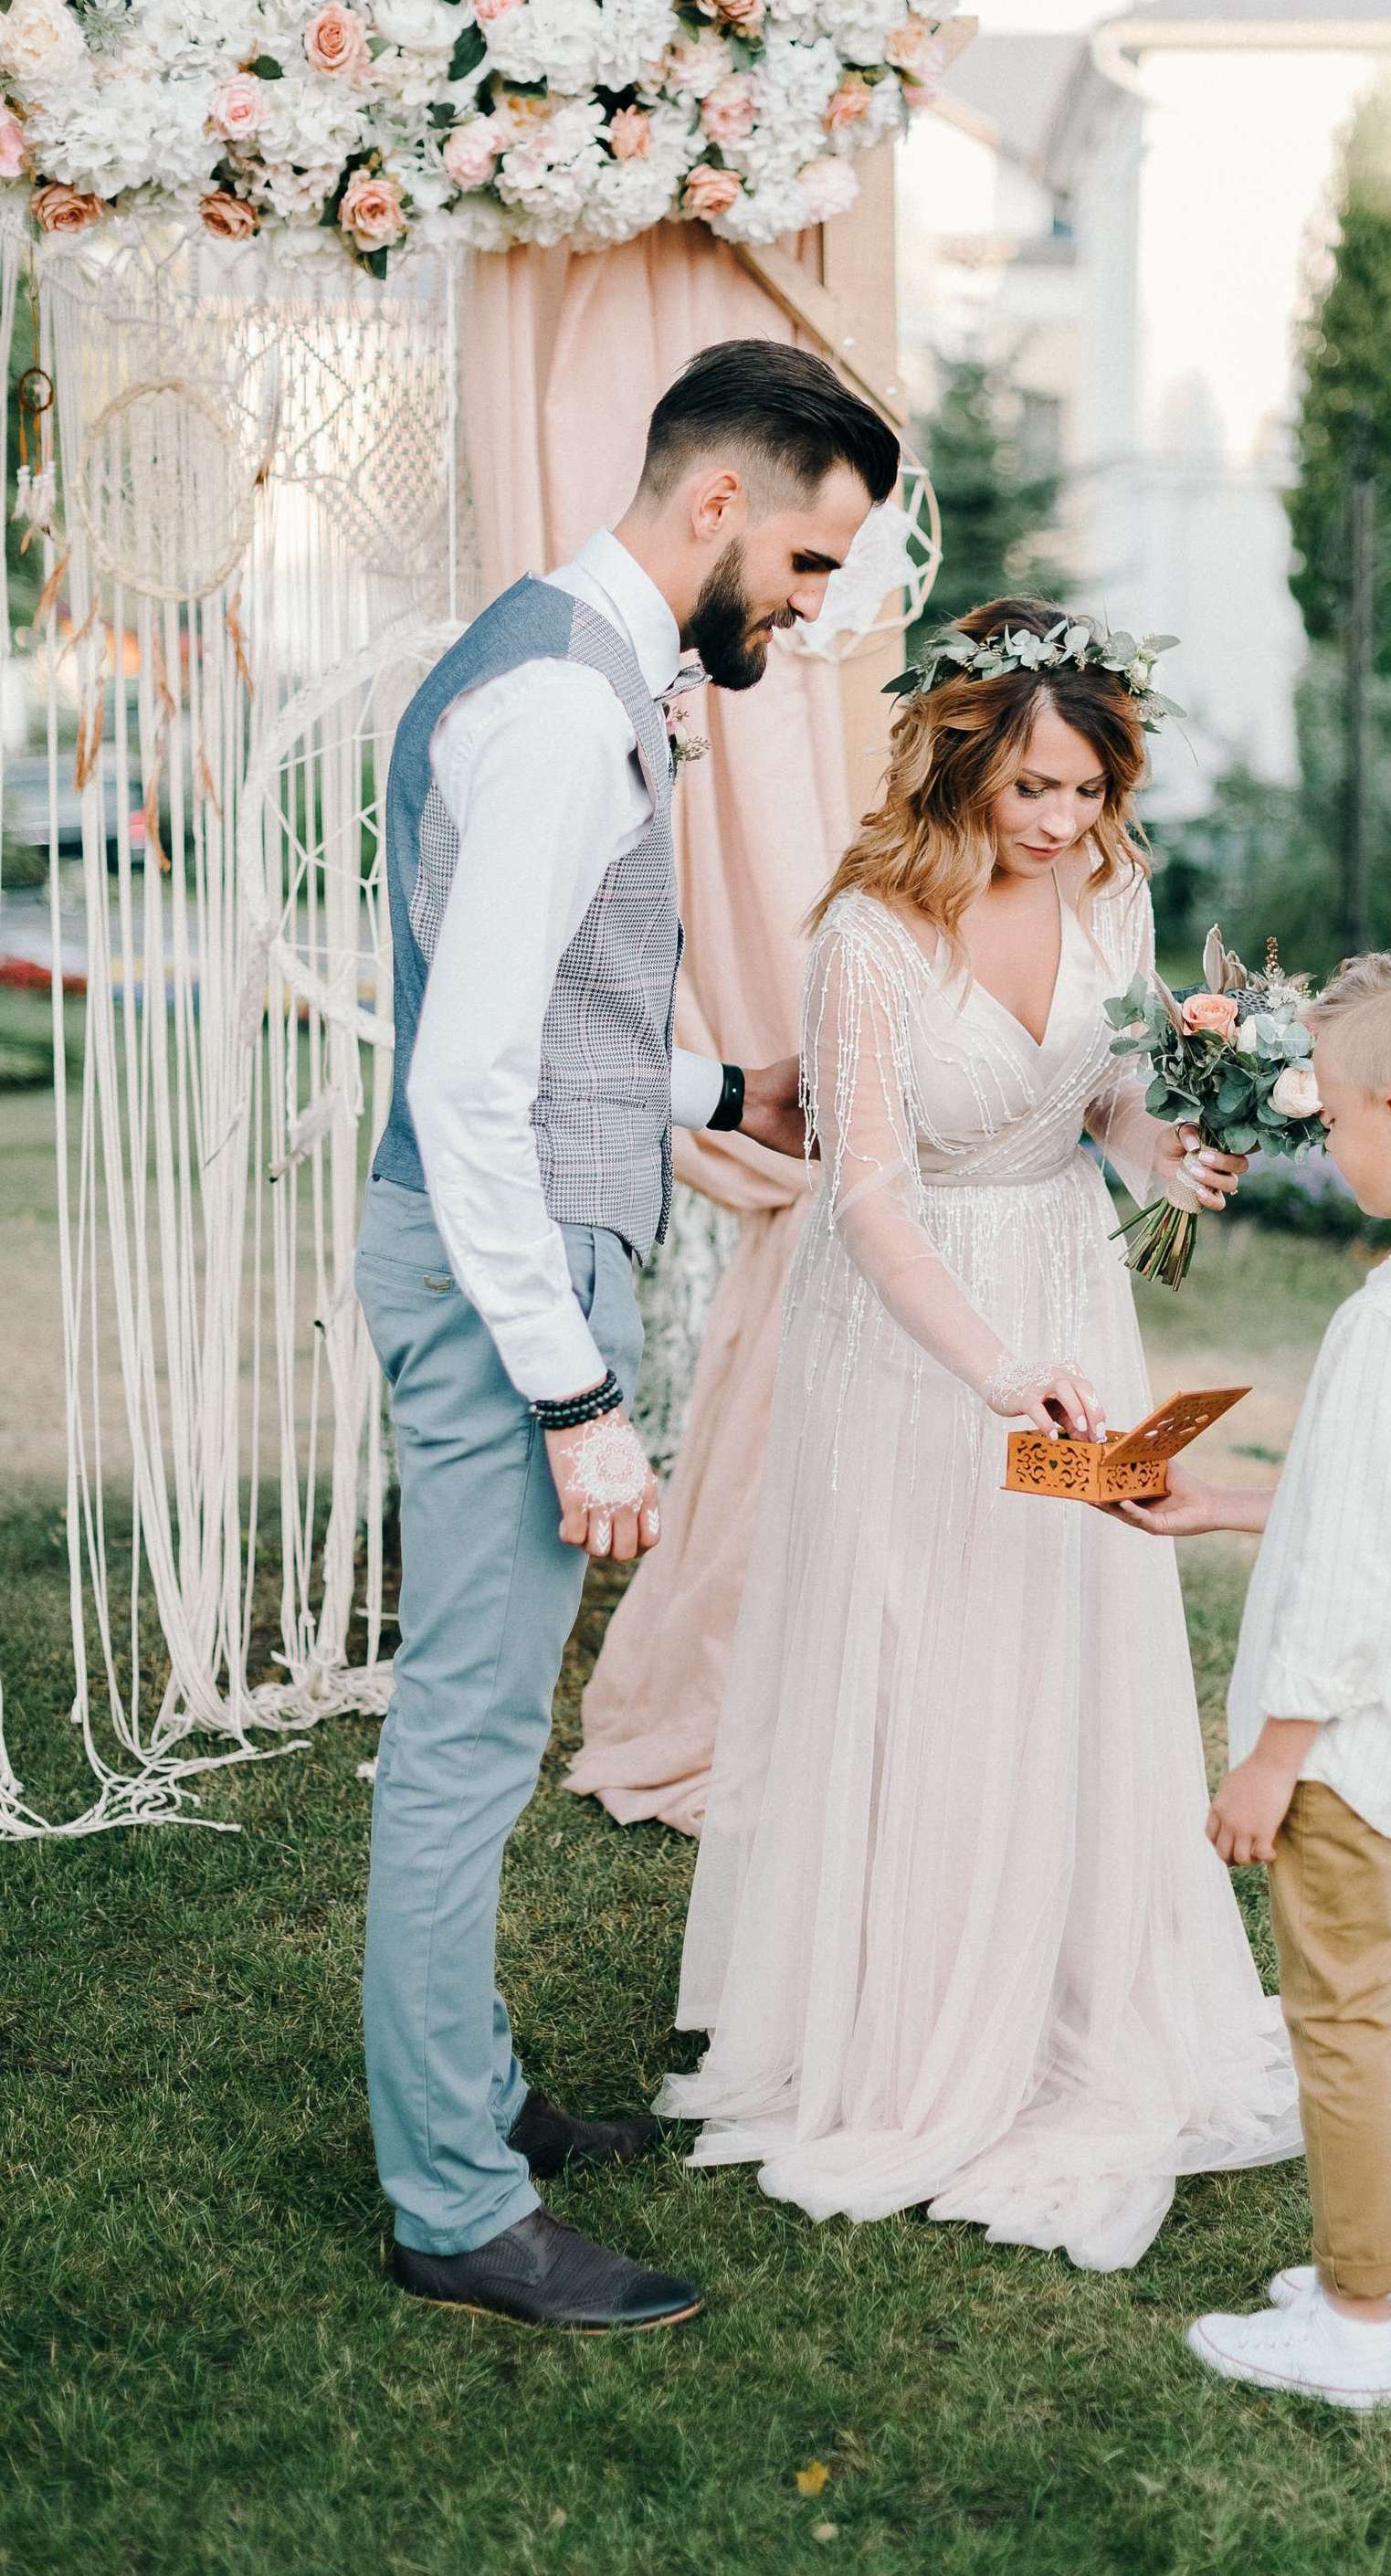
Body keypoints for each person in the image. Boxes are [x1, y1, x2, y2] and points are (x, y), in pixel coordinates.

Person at [354, 338, 900, 2332]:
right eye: (810, 563)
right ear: (716, 506)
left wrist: (720, 1091)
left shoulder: (573, 669)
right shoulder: (564, 714)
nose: (811, 608)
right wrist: (574, 1394)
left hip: (520, 1243)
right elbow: (468, 1085)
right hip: (500, 1277)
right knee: (466, 1738)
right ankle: (452, 2200)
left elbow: (536, 1019)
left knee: (481, 1726)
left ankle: (475, 2091)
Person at [657, 598, 1303, 2271]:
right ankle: (914, 2011)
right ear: (960, 763)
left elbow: (1109, 1098)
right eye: (1032, 787)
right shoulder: (870, 936)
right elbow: (864, 1196)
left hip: (1070, 1287)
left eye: (1088, 791)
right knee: (924, 1648)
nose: (1061, 822)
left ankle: (1070, 1978)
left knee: (1060, 1630)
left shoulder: (1112, 894)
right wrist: (996, 1371)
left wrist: (1174, 1155)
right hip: (916, 1330)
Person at [1108, 946, 1391, 2410]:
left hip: (1350, 1749)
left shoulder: (1387, 1326)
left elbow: (1355, 1573)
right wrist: (1224, 1506)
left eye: (1342, 1118)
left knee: (1343, 2015)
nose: (1335, 1142)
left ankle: (1356, 2317)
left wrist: (1270, 1759)